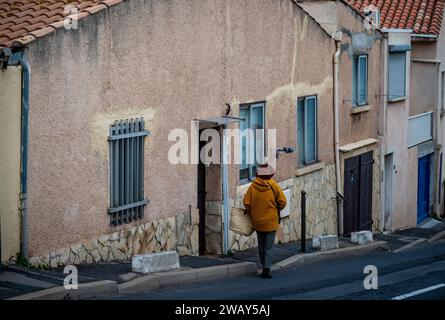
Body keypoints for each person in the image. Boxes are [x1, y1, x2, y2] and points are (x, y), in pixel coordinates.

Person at [243, 163, 287, 278]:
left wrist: (254, 211)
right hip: (271, 221)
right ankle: (266, 269)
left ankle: (263, 265)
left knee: (261, 246)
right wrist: (276, 208)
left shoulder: (252, 187)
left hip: (257, 221)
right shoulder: (273, 186)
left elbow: (246, 203)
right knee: (268, 247)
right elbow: (283, 202)